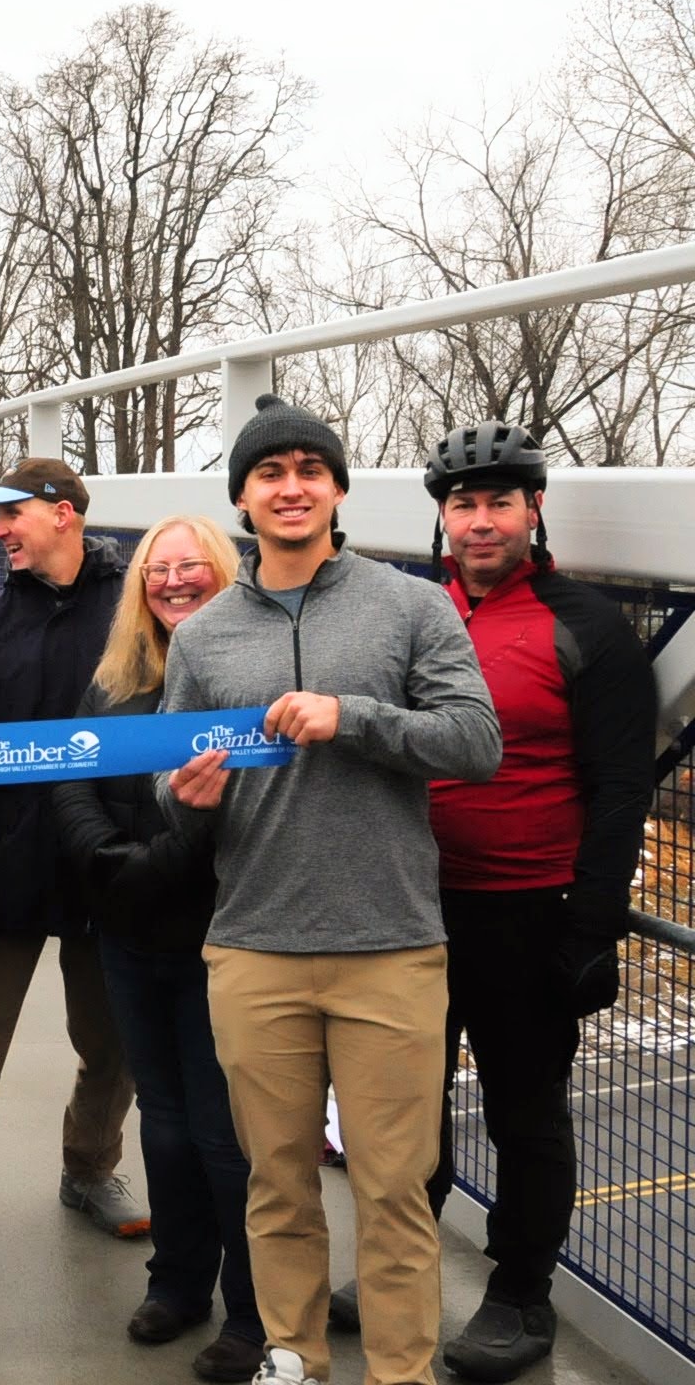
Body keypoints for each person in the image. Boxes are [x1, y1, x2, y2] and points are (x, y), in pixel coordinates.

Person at [159, 395, 501, 1385]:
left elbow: (474, 741)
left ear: (338, 488)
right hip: (253, 945)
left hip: (389, 944)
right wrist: (187, 793)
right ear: (243, 497)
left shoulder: (409, 604)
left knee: (393, 1187)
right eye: (270, 472)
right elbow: (169, 782)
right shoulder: (203, 636)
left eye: (310, 468)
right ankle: (294, 1356)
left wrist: (347, 713)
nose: (291, 485)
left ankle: (400, 1369)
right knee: (276, 1183)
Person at [324, 422, 653, 1383]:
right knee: (403, 1113)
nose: (480, 520)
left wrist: (592, 927)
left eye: (499, 501)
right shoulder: (414, 614)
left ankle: (519, 1296)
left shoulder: (584, 627)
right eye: (463, 504)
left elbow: (623, 785)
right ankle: (400, 1272)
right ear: (441, 516)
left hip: (527, 907)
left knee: (524, 1111)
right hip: (408, 905)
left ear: (533, 509)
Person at [51, 515, 264, 1383]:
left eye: (193, 569)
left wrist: (162, 858)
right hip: (133, 938)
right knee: (167, 1126)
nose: (174, 582)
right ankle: (178, 1281)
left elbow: (246, 820)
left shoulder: (247, 677)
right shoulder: (111, 682)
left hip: (228, 940)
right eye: (158, 571)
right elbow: (70, 781)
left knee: (228, 1137)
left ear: (223, 576)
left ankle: (253, 1311)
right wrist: (117, 865)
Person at [0, 455, 149, 1237]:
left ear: (62, 512)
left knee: (111, 1040)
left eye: (9, 515)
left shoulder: (136, 609)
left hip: (109, 865)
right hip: (9, 866)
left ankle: (90, 1170)